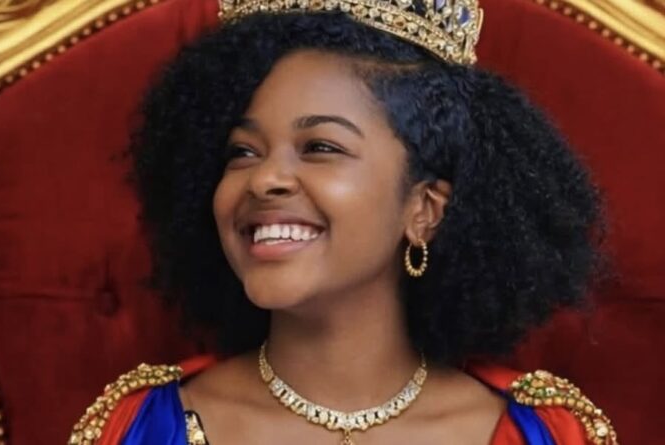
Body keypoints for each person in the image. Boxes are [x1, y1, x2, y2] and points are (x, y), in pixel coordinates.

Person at [69, 0, 617, 443]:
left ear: (424, 210)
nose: (264, 179)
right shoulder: (141, 428)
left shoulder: (545, 433)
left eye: (320, 147)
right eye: (242, 152)